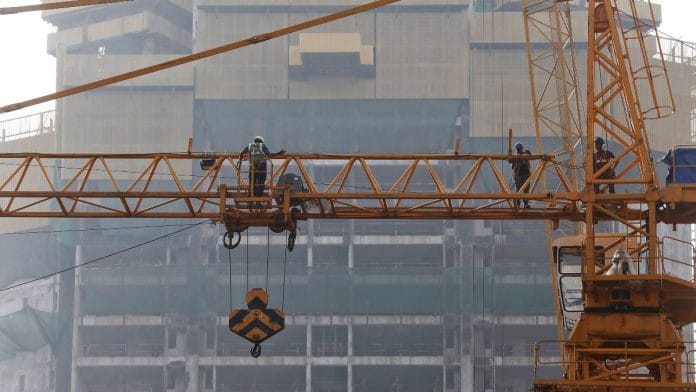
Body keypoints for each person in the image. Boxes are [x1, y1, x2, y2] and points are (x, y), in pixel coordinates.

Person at [509, 142, 532, 208]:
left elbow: (530, 156)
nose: (519, 151)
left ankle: (525, 204)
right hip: (519, 175)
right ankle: (519, 204)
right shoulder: (515, 156)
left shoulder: (525, 155)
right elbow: (510, 161)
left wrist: (529, 153)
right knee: (520, 190)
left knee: (524, 190)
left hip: (525, 175)